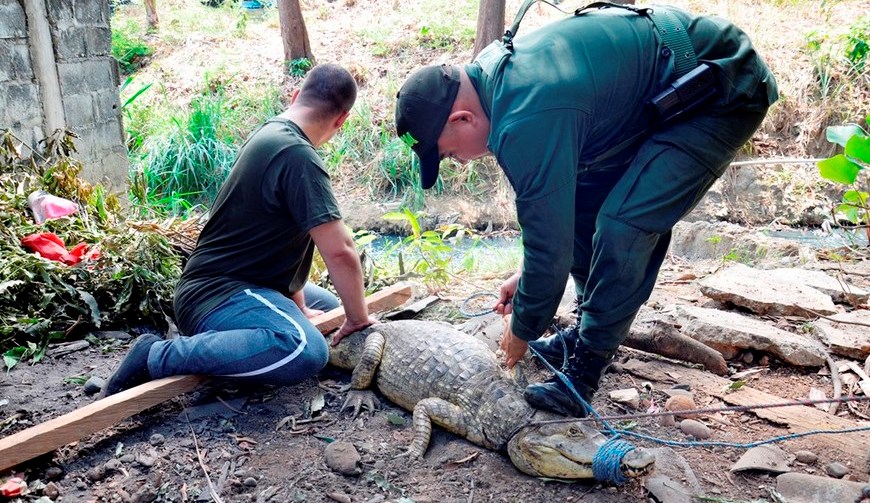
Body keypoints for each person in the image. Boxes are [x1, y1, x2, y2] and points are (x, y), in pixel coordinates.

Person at [395, 3, 777, 416]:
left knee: (624, 225)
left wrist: (521, 328)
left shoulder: (524, 117)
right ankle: (586, 331)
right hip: (661, 93)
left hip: (719, 86)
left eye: (451, 154)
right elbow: (554, 223)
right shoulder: (490, 80)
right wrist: (529, 279)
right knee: (583, 204)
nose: (462, 163)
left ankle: (587, 367)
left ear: (463, 118)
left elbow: (551, 251)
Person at [103, 63, 377, 396]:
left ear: (295, 96)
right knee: (303, 349)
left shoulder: (273, 134)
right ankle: (154, 355)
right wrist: (360, 319)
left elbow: (284, 248)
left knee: (333, 307)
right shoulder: (297, 155)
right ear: (341, 120)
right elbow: (340, 250)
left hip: (247, 285)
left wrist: (301, 306)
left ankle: (236, 340)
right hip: (216, 294)